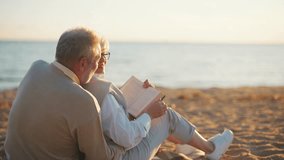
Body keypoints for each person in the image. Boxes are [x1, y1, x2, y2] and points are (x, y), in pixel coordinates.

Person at [83, 37, 234, 160]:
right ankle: (211, 149)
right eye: (99, 54)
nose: (103, 59)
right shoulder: (104, 95)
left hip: (106, 149)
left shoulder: (84, 86)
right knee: (167, 116)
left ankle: (187, 143)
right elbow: (126, 138)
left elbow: (110, 121)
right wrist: (148, 114)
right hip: (120, 155)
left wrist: (141, 100)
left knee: (152, 113)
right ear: (90, 57)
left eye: (106, 54)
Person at [4, 28, 110, 160]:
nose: (97, 65)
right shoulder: (85, 101)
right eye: (97, 59)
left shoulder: (35, 68)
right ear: (83, 63)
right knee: (141, 144)